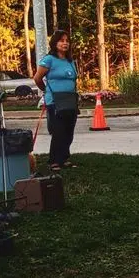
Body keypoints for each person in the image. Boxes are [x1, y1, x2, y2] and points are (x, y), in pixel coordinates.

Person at [33, 30, 79, 172]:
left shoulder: (70, 61)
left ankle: (64, 158)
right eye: (61, 40)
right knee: (58, 131)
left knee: (68, 131)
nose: (65, 43)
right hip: (55, 101)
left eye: (67, 40)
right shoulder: (48, 60)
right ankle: (54, 161)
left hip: (70, 100)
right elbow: (37, 78)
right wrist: (46, 90)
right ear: (55, 43)